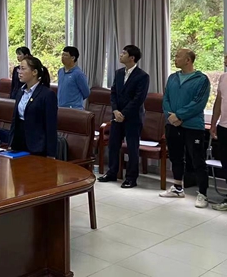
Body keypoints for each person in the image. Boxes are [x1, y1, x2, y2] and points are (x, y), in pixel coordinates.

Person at [160, 48, 210, 208]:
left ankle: (202, 193)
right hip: (172, 124)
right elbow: (166, 98)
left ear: (188, 60)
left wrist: (179, 116)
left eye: (178, 56)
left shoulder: (201, 79)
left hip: (193, 126)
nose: (175, 58)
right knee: (175, 156)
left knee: (197, 160)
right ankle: (177, 188)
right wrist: (171, 116)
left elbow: (198, 103)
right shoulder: (172, 78)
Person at [97, 45, 150, 188]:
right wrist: (115, 110)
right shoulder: (119, 73)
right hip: (117, 115)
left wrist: (123, 113)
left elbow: (138, 99)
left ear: (132, 58)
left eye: (124, 53)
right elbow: (113, 93)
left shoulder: (142, 76)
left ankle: (131, 178)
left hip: (133, 118)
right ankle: (112, 172)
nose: (121, 55)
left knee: (132, 148)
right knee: (113, 145)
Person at [9, 56, 58, 158]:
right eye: (19, 69)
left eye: (23, 69)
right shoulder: (20, 92)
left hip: (37, 146)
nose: (19, 72)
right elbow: (15, 120)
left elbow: (51, 126)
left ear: (34, 72)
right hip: (18, 144)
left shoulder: (47, 94)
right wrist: (11, 142)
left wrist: (51, 154)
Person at [211, 54, 227, 211]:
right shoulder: (223, 77)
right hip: (223, 127)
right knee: (225, 164)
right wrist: (213, 123)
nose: (225, 59)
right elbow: (218, 101)